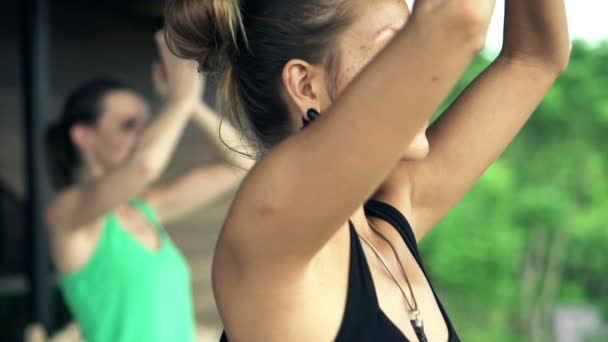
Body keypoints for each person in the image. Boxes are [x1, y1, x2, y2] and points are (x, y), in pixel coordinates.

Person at [165, 0, 570, 341]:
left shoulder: (391, 219)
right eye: (395, 48)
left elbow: (535, 55)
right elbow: (456, 17)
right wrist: (438, 30)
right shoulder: (269, 234)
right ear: (306, 85)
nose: (420, 69)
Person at [43, 32, 251, 342]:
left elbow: (241, 163)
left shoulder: (145, 208)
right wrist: (178, 103)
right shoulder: (66, 215)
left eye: (145, 124)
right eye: (129, 125)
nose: (143, 136)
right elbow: (145, 167)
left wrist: (192, 105)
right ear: (83, 136)